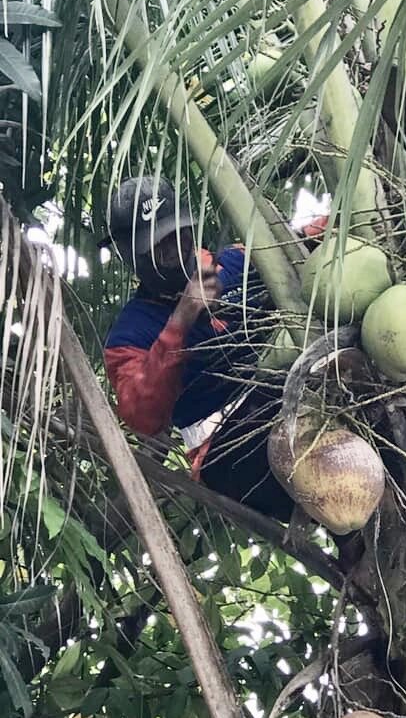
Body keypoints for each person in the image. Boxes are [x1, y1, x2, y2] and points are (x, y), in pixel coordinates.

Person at [101, 175, 295, 521]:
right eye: (162, 246)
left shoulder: (236, 262)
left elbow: (298, 248)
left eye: (181, 234)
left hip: (293, 397)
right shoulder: (129, 335)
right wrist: (181, 320)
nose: (176, 248)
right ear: (136, 258)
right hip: (229, 450)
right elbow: (143, 416)